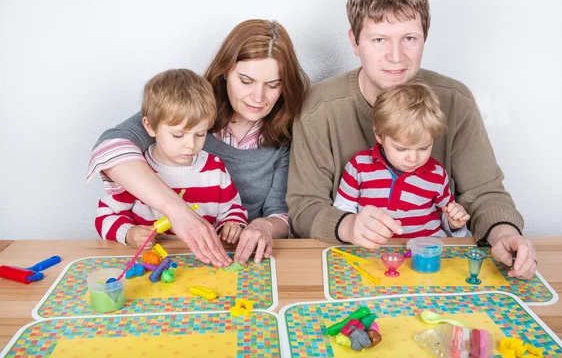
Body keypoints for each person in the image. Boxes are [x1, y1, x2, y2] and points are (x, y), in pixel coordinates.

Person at [287, 0, 538, 279]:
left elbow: (484, 192)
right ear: (354, 41)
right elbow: (303, 206)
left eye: (409, 39)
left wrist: (503, 232)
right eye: (379, 40)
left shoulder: (456, 100)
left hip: (434, 267)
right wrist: (348, 225)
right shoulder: (319, 108)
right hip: (351, 267)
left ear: (424, 38)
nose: (396, 57)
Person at [87, 20, 309, 266]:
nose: (258, 97)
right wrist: (179, 213)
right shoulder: (189, 110)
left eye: (272, 85)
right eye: (246, 81)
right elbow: (109, 149)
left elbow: (281, 210)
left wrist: (263, 226)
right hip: (170, 253)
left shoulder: (285, 130)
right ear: (225, 72)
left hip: (235, 257)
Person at [95, 69, 248, 249]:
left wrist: (232, 225)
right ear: (150, 126)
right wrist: (129, 234)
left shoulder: (214, 168)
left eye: (200, 134)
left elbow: (232, 209)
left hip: (200, 264)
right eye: (178, 135)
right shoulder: (138, 170)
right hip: (151, 264)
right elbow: (105, 215)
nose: (190, 145)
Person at [333, 83, 469, 238]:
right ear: (379, 136)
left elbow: (445, 214)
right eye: (401, 149)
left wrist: (453, 221)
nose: (413, 159)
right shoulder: (359, 166)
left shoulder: (437, 174)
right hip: (375, 251)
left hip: (425, 252)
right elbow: (343, 210)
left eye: (424, 148)